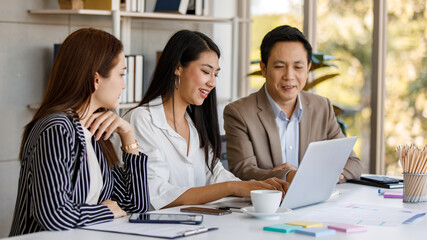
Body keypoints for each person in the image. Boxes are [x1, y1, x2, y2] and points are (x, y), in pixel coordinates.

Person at [124, 30, 288, 210]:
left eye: (215, 74)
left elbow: (217, 175)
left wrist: (259, 189)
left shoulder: (194, 123)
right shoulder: (142, 120)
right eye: (205, 71)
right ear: (178, 67)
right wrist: (232, 188)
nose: (212, 83)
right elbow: (155, 193)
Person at [9, 28, 149, 236]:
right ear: (96, 79)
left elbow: (136, 205)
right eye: (121, 74)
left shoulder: (94, 131)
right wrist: (106, 211)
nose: (124, 85)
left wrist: (128, 136)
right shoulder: (56, 129)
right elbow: (53, 214)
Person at [223, 25, 362, 182]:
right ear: (263, 68)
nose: (289, 76)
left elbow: (353, 164)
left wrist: (324, 175)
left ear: (308, 68)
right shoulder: (239, 112)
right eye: (279, 67)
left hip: (317, 203)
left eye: (298, 67)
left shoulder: (321, 107)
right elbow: (243, 171)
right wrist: (288, 175)